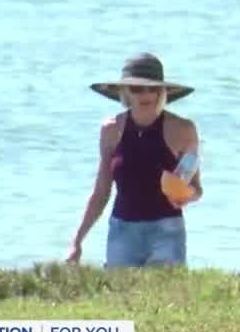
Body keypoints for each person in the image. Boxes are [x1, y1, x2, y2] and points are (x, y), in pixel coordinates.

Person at [66, 53, 201, 268]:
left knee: (166, 298)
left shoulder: (183, 130)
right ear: (125, 92)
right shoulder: (111, 130)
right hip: (122, 231)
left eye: (153, 88)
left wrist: (185, 196)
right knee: (120, 299)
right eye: (137, 88)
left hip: (167, 231)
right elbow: (101, 190)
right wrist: (77, 240)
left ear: (163, 91)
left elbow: (196, 189)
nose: (146, 94)